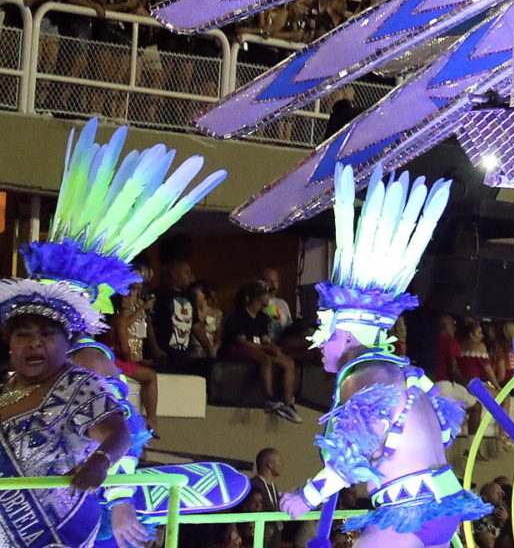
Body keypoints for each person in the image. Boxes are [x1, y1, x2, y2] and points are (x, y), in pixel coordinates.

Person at [18, 119, 249, 545]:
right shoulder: (29, 363)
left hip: (78, 508)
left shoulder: (88, 359)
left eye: (50, 312)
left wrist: (121, 501)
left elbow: (121, 428)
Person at [279, 170, 487, 548]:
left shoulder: (363, 374)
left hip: (406, 508)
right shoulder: (404, 373)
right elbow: (443, 426)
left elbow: (358, 448)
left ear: (345, 334)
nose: (317, 343)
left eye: (323, 332)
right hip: (439, 504)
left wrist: (307, 496)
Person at [0, 280, 131, 548]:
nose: (34, 343)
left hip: (59, 532)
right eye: (22, 335)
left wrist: (100, 462)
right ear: (10, 343)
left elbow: (118, 433)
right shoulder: (5, 387)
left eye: (48, 334)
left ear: (67, 341)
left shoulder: (79, 384)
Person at [223, 282, 299, 419]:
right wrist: (265, 348)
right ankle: (269, 398)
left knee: (288, 362)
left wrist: (273, 348)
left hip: (259, 348)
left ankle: (288, 403)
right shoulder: (238, 316)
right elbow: (241, 341)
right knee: (265, 359)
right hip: (237, 350)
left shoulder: (263, 318)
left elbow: (264, 339)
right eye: (265, 294)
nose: (269, 297)